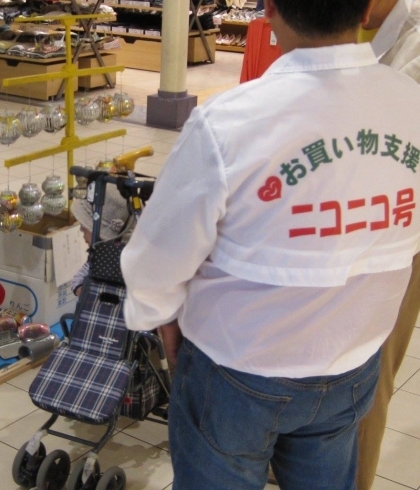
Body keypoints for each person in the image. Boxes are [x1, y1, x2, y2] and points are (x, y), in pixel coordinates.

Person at [120, 0, 420, 488]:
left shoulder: (229, 121)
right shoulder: (411, 104)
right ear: (367, 11)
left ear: (269, 10)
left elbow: (158, 254)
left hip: (237, 366)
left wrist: (159, 316)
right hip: (352, 363)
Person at [356, 1, 420, 488]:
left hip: (400, 232)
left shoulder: (415, 39)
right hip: (358, 218)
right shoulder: (368, 32)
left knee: (369, 372)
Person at [69, 184, 131, 297]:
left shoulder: (125, 259)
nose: (81, 231)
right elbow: (77, 278)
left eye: (84, 227)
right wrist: (79, 288)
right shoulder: (98, 255)